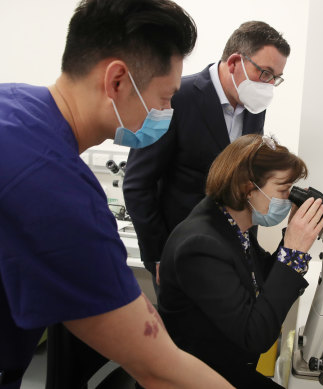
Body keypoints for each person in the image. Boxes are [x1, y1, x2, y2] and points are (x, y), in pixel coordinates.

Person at [0, 1, 233, 388]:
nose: (167, 111)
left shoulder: (1, 100)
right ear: (117, 81)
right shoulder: (55, 190)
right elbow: (159, 369)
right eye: (166, 99)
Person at [123, 21, 290, 296]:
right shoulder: (176, 98)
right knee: (185, 336)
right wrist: (158, 254)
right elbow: (137, 184)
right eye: (265, 73)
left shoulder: (254, 106)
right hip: (180, 251)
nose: (269, 85)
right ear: (235, 61)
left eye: (276, 78)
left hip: (232, 251)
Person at [157, 134, 323, 388]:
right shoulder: (201, 245)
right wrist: (294, 253)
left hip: (223, 366)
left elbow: (262, 281)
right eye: (283, 189)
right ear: (248, 188)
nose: (288, 199)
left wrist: (292, 238)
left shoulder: (231, 225)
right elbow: (255, 336)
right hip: (195, 378)